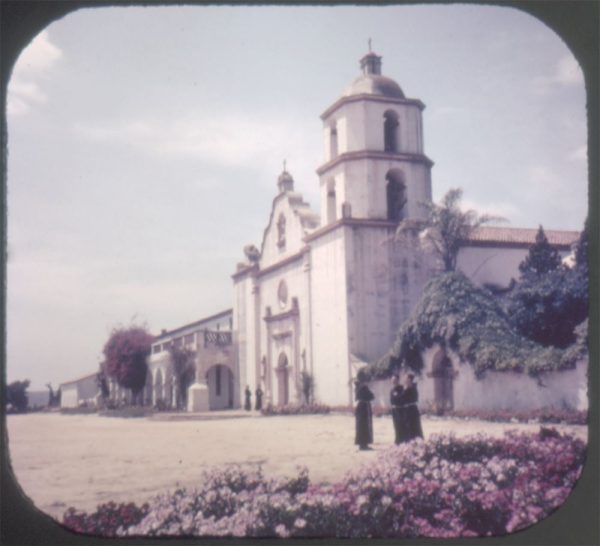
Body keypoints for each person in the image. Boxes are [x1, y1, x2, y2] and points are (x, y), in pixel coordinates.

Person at [354, 371, 375, 450]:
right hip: (364, 407)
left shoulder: (357, 386)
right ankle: (363, 444)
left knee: (361, 426)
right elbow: (371, 396)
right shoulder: (363, 387)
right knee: (364, 425)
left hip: (361, 406)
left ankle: (363, 443)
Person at [401, 373, 423, 440]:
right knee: (410, 425)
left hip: (411, 409)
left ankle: (414, 440)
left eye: (406, 378)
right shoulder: (409, 387)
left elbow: (403, 397)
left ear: (410, 379)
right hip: (410, 408)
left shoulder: (411, 388)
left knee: (413, 425)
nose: (405, 380)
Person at [389, 374, 407, 445]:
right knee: (396, 425)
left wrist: (398, 396)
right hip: (394, 410)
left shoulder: (401, 388)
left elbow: (403, 398)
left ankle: (402, 440)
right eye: (393, 380)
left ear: (398, 380)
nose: (394, 382)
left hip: (401, 409)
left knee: (401, 425)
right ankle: (397, 439)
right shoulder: (392, 389)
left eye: (395, 380)